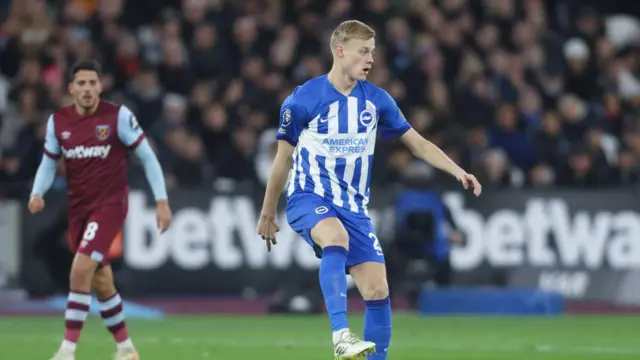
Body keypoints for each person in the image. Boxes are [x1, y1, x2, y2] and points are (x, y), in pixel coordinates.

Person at [257, 20, 482, 360]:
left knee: (378, 288)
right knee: (335, 239)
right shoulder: (303, 99)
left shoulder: (377, 101)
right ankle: (340, 335)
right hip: (308, 196)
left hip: (354, 208)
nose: (370, 59)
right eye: (364, 51)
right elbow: (282, 161)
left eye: (372, 53)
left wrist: (457, 170)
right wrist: (268, 211)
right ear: (340, 50)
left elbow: (417, 144)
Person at [28, 59, 172, 360]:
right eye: (81, 83)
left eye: (93, 83)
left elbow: (147, 157)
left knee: (80, 269)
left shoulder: (118, 117)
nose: (87, 88)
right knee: (101, 280)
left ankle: (67, 350)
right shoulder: (58, 122)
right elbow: (48, 161)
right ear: (71, 88)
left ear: (100, 86)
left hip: (109, 206)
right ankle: (126, 348)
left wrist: (161, 201)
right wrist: (37, 192)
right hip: (78, 210)